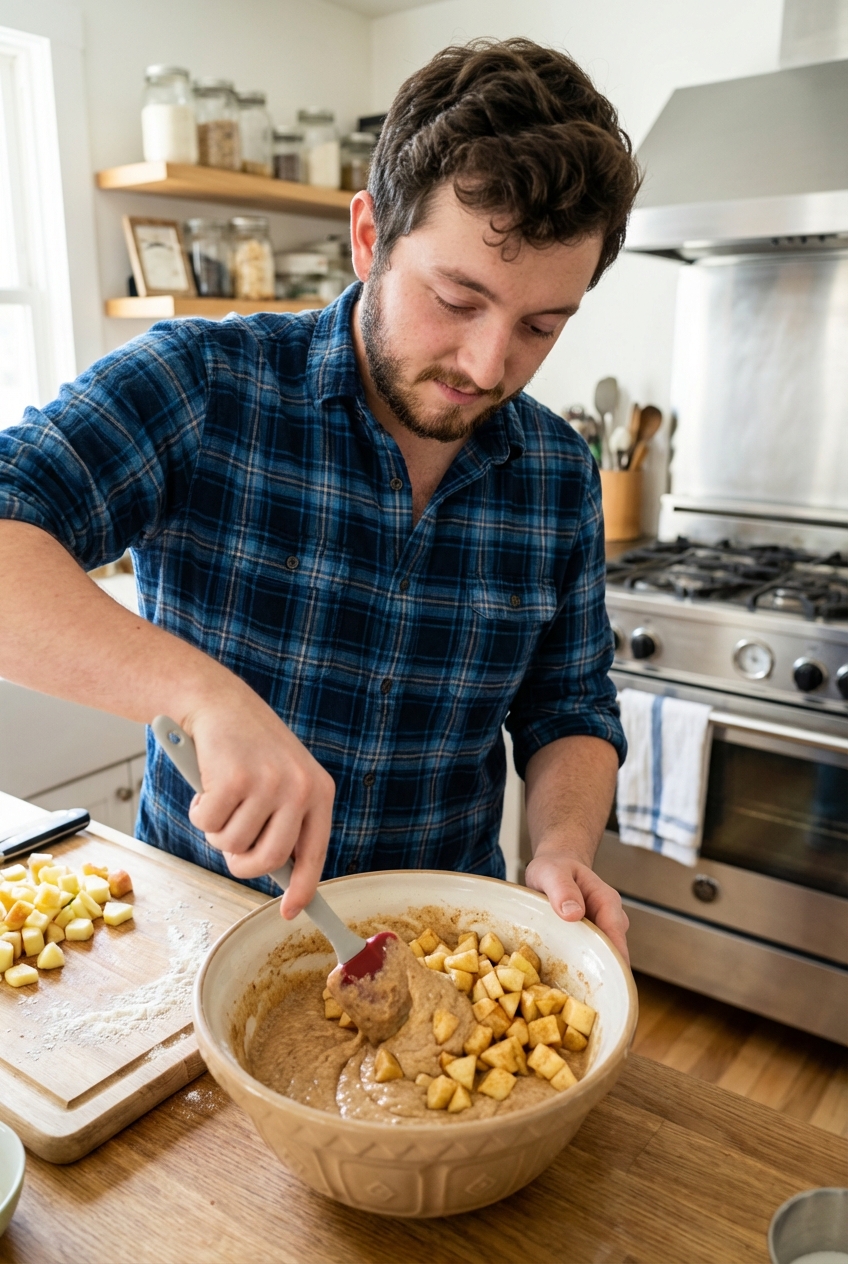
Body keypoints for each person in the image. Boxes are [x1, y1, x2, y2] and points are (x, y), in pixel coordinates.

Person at [0, 38, 640, 960]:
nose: (488, 364)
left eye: (541, 326)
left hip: (446, 949)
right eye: (458, 299)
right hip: (201, 942)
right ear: (370, 236)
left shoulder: (558, 472)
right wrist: (201, 693)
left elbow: (569, 706)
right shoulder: (203, 384)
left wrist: (565, 849)